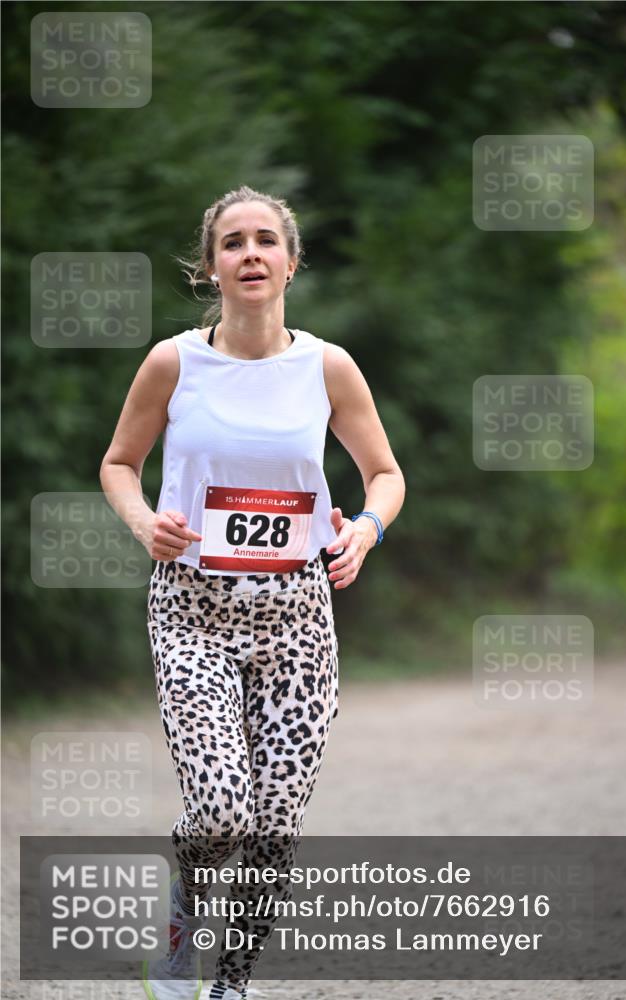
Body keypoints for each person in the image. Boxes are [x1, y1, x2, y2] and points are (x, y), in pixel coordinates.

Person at [99, 184, 405, 1000]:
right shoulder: (174, 361)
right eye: (232, 243)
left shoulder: (327, 366)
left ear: (291, 262)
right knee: (222, 814)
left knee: (273, 828)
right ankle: (180, 919)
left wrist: (364, 530)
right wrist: (143, 524)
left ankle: (232, 984)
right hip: (193, 610)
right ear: (210, 267)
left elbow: (383, 473)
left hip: (298, 618)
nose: (251, 254)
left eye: (266, 240)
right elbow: (119, 463)